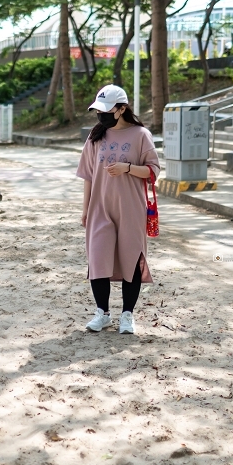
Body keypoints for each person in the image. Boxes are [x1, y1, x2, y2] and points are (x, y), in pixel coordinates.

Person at [77, 85, 160, 335]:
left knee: (130, 260)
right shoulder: (96, 135)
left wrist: (127, 168)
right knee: (98, 258)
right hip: (100, 207)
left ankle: (127, 315)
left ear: (122, 109)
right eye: (98, 110)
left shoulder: (141, 135)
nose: (100, 115)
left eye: (106, 110)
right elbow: (88, 176)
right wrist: (85, 209)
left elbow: (153, 170)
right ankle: (102, 313)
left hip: (131, 208)